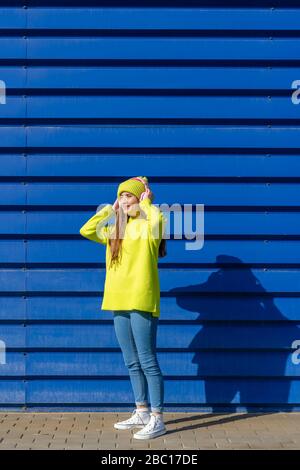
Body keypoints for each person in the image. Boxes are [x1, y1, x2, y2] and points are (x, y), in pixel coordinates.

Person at [79, 176, 167, 439]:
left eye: (130, 196)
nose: (125, 200)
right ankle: (141, 410)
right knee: (131, 361)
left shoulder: (149, 228)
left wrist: (148, 203)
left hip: (141, 301)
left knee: (148, 360)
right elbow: (86, 230)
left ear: (140, 198)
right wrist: (110, 209)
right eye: (122, 195)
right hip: (117, 300)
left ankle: (158, 418)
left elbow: (159, 221)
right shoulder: (114, 231)